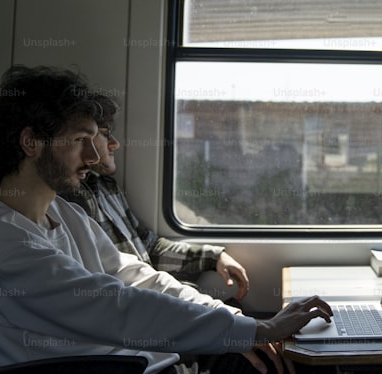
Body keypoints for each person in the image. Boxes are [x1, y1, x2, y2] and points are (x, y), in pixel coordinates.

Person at [0, 65, 354, 374]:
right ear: (30, 142)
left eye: (94, 140)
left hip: (136, 373)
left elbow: (135, 276)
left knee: (305, 371)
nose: (93, 157)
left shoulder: (62, 213)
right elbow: (115, 307)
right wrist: (254, 331)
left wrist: (238, 322)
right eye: (78, 141)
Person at [62, 94, 249, 300]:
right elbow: (119, 281)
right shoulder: (73, 200)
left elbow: (150, 247)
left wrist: (213, 257)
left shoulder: (108, 188)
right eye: (105, 135)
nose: (114, 144)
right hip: (140, 303)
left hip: (152, 296)